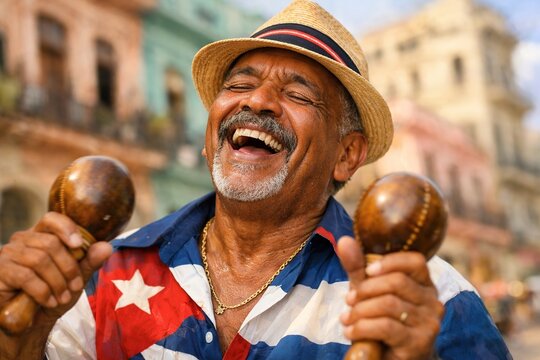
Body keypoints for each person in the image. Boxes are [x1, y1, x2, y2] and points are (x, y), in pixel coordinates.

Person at [0, 1, 511, 359]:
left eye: (297, 93)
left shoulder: (430, 296)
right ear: (210, 136)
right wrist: (18, 341)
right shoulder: (107, 273)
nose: (257, 101)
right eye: (239, 84)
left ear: (347, 154)